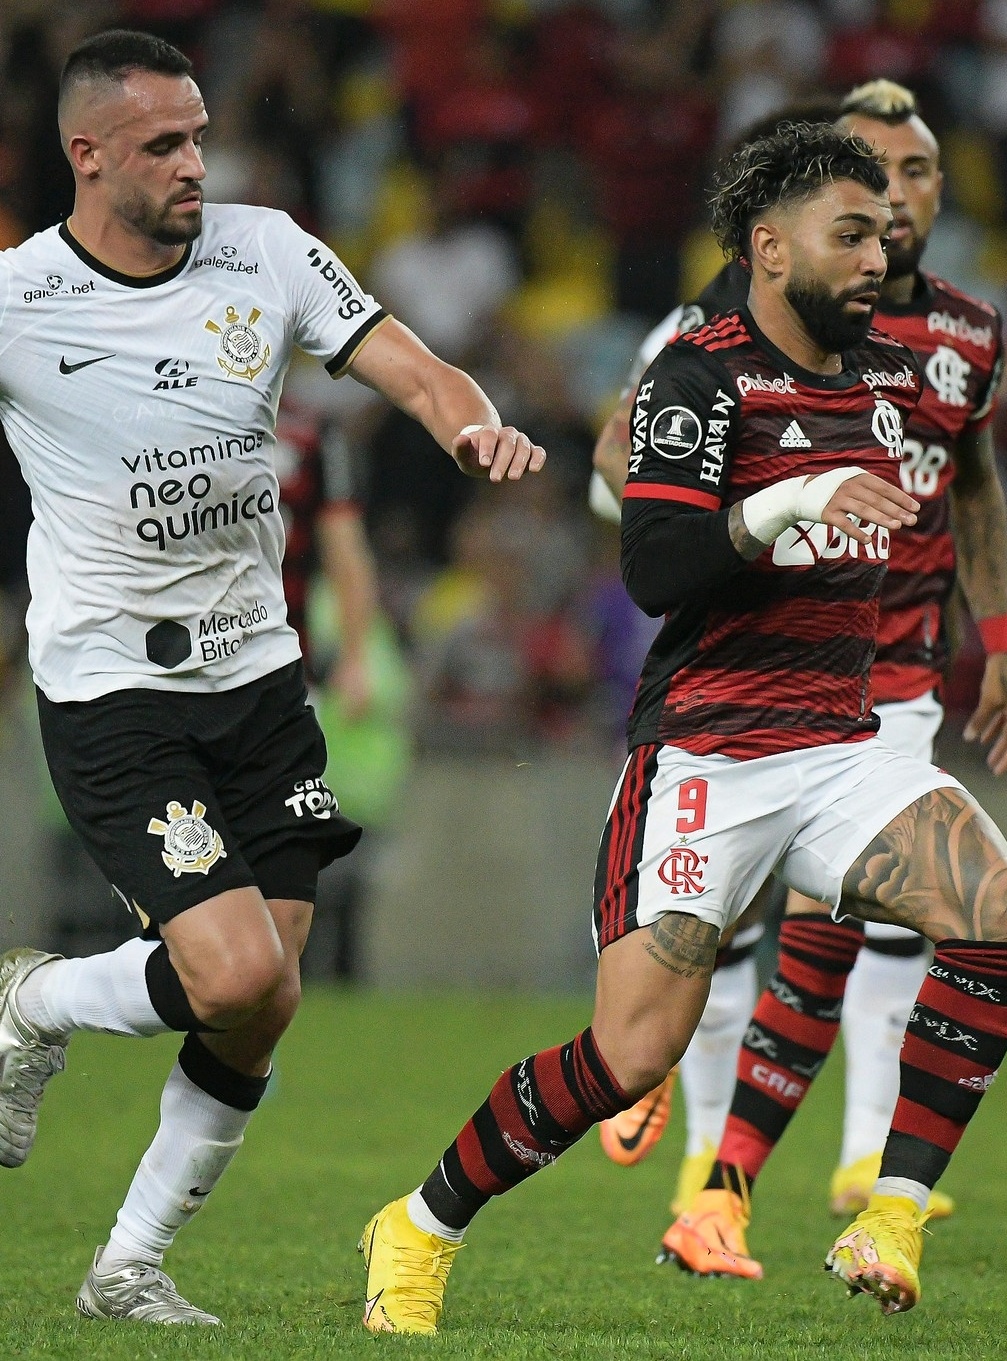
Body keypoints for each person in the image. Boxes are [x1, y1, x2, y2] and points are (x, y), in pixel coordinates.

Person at [359, 120, 1007, 1332]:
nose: (880, 257)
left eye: (885, 232)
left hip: (844, 745)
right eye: (852, 234)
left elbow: (964, 477)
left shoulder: (883, 373)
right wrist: (788, 503)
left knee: (998, 913)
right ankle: (418, 1222)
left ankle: (892, 1203)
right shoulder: (698, 376)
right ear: (769, 250)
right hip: (707, 757)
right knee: (627, 1056)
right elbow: (657, 564)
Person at [0, 29, 544, 1326]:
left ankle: (126, 1266)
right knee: (234, 973)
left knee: (264, 1002)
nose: (197, 162)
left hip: (261, 684)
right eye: (162, 145)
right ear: (86, 156)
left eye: (198, 134)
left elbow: (412, 364)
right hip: (114, 691)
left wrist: (465, 420)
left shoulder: (268, 247)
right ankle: (36, 996)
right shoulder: (22, 300)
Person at [593, 81, 1007, 1263]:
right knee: (748, 950)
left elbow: (973, 483)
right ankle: (670, 1100)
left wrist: (1002, 638)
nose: (893, 202)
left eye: (916, 175)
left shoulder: (963, 338)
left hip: (892, 684)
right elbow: (629, 452)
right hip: (749, 689)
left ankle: (826, 1182)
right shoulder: (731, 323)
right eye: (870, 180)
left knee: (878, 936)